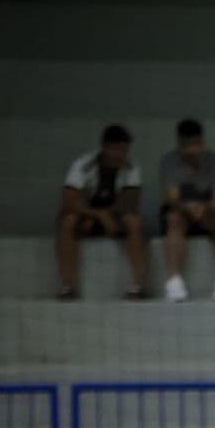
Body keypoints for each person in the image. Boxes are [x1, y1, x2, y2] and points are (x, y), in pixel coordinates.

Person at [55, 123, 148, 300]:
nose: (121, 154)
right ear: (105, 147)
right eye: (117, 149)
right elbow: (68, 202)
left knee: (134, 222)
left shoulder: (132, 167)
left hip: (115, 217)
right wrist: (98, 215)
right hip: (86, 217)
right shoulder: (82, 165)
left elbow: (130, 203)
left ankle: (137, 285)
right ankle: (68, 286)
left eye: (124, 149)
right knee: (67, 221)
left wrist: (108, 216)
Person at [160, 119, 215, 303]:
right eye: (187, 146)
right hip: (182, 212)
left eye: (196, 145)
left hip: (208, 212)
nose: (192, 151)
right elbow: (172, 197)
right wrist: (188, 207)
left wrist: (205, 207)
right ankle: (173, 281)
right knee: (173, 218)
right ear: (180, 144)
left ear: (202, 143)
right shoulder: (169, 162)